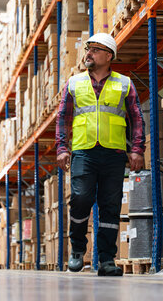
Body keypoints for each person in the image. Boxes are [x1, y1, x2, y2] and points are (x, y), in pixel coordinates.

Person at [55, 33, 145, 276]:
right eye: (88, 49)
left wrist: (137, 149)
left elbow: (137, 118)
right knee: (81, 198)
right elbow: (63, 118)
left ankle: (106, 259)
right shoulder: (74, 83)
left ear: (108, 56)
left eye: (95, 50)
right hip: (84, 151)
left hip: (114, 153)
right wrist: (62, 148)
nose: (88, 54)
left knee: (110, 206)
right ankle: (77, 251)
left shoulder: (124, 83)